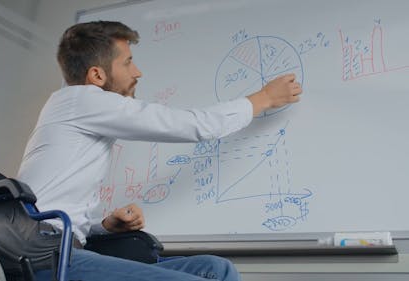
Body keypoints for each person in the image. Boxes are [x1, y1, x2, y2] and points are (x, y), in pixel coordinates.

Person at [17, 21, 302, 281]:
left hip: (60, 246)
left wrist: (104, 225)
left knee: (217, 269)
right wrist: (263, 99)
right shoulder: (84, 100)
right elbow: (192, 126)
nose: (137, 71)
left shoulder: (72, 108)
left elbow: (55, 205)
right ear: (97, 75)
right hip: (46, 258)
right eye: (128, 62)